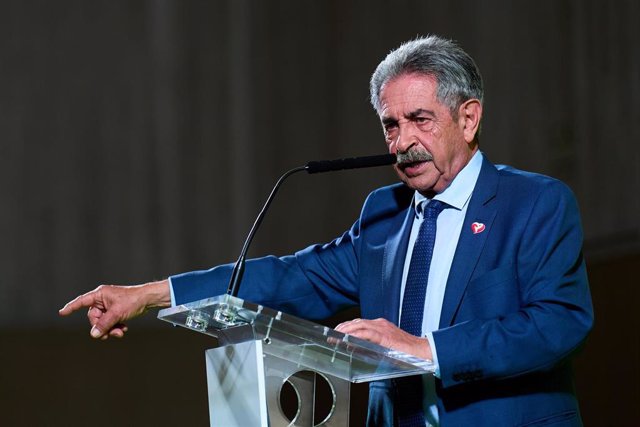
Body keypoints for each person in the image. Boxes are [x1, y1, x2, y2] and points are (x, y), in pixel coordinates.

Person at [59, 35, 593, 426]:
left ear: (469, 119)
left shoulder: (536, 203)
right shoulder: (383, 212)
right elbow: (289, 278)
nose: (402, 141)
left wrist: (424, 349)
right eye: (391, 124)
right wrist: (150, 294)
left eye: (420, 119)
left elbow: (560, 323)